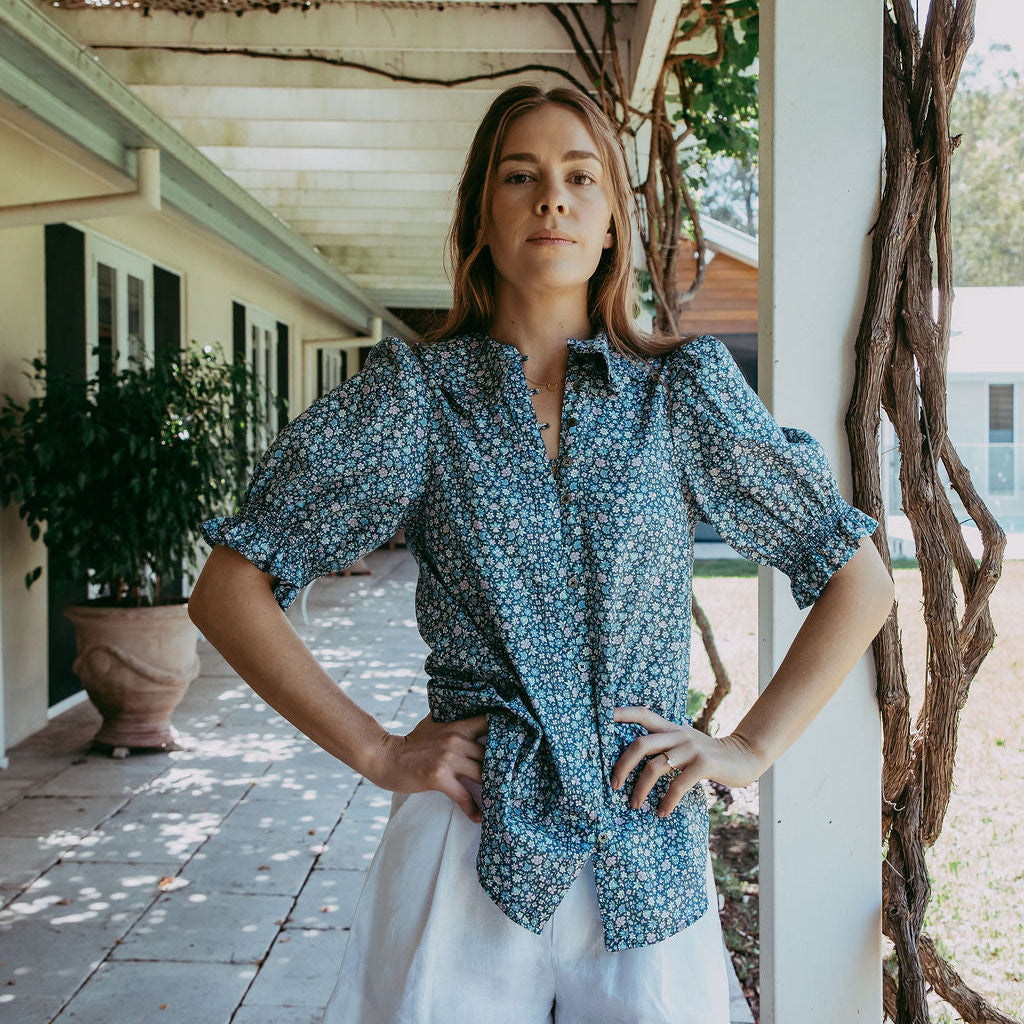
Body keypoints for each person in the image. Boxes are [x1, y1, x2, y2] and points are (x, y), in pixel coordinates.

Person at [188, 83, 895, 1024]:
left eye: (578, 177)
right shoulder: (415, 400)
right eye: (520, 176)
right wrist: (375, 749)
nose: (551, 199)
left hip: (642, 832)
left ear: (611, 224)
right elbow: (228, 592)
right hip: (469, 836)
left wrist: (747, 749)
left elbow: (860, 581)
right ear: (482, 215)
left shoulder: (677, 395)